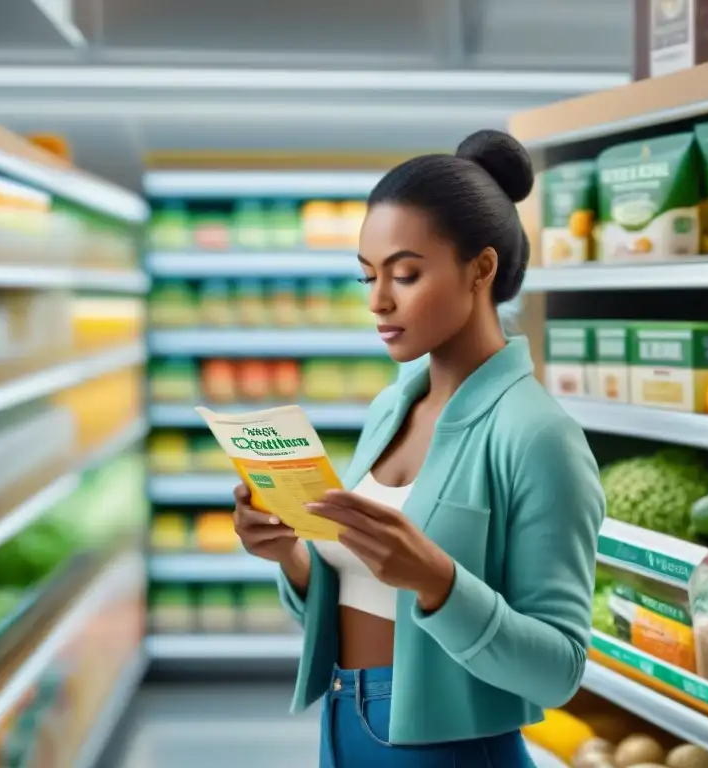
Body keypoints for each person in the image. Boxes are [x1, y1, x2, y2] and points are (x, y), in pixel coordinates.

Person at [233, 129, 606, 767]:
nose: (379, 301)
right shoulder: (390, 406)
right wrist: (292, 556)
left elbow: (559, 671)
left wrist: (437, 581)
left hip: (453, 750)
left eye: (405, 274)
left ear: (481, 269)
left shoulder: (537, 435)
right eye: (367, 276)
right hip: (343, 726)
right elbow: (365, 596)